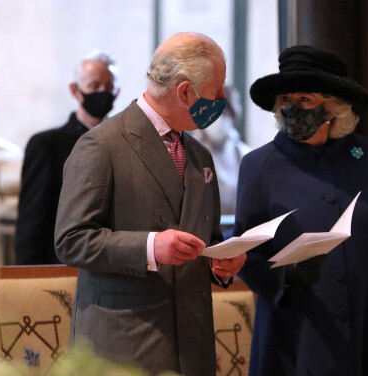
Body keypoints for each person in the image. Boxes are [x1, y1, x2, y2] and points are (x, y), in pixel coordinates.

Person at [54, 32, 247, 376]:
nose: (222, 98)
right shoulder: (101, 145)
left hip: (193, 347)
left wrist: (221, 262)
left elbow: (207, 237)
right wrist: (151, 246)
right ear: (185, 92)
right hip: (124, 347)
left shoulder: (200, 155)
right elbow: (71, 240)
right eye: (216, 89)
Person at [233, 45, 368, 376]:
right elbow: (245, 255)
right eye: (286, 100)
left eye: (305, 100)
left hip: (364, 333)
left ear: (331, 108)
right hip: (295, 335)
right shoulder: (258, 165)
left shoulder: (366, 156)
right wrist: (285, 278)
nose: (292, 108)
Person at [15, 51, 120, 265]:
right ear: (75, 90)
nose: (102, 92)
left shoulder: (123, 142)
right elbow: (32, 221)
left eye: (108, 88)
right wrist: (29, 277)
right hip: (61, 267)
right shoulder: (47, 145)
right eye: (94, 85)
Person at [191, 84, 251, 216]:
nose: (218, 117)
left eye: (223, 111)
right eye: (212, 110)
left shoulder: (244, 155)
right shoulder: (188, 153)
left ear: (234, 114)